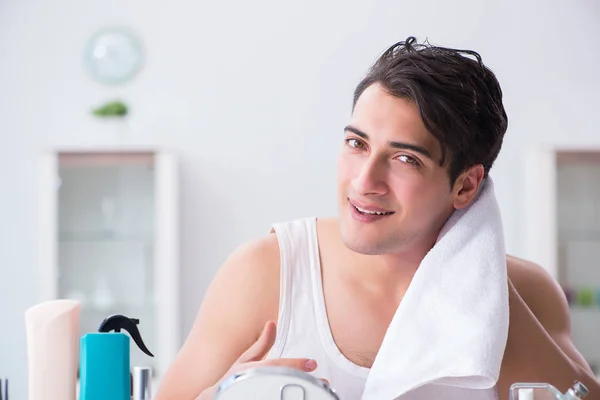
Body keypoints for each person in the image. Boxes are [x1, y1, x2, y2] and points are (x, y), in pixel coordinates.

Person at [155, 36, 600, 400]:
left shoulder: (526, 292)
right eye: (357, 144)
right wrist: (219, 394)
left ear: (465, 187)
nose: (365, 181)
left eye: (405, 159)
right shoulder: (269, 272)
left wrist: (481, 281)